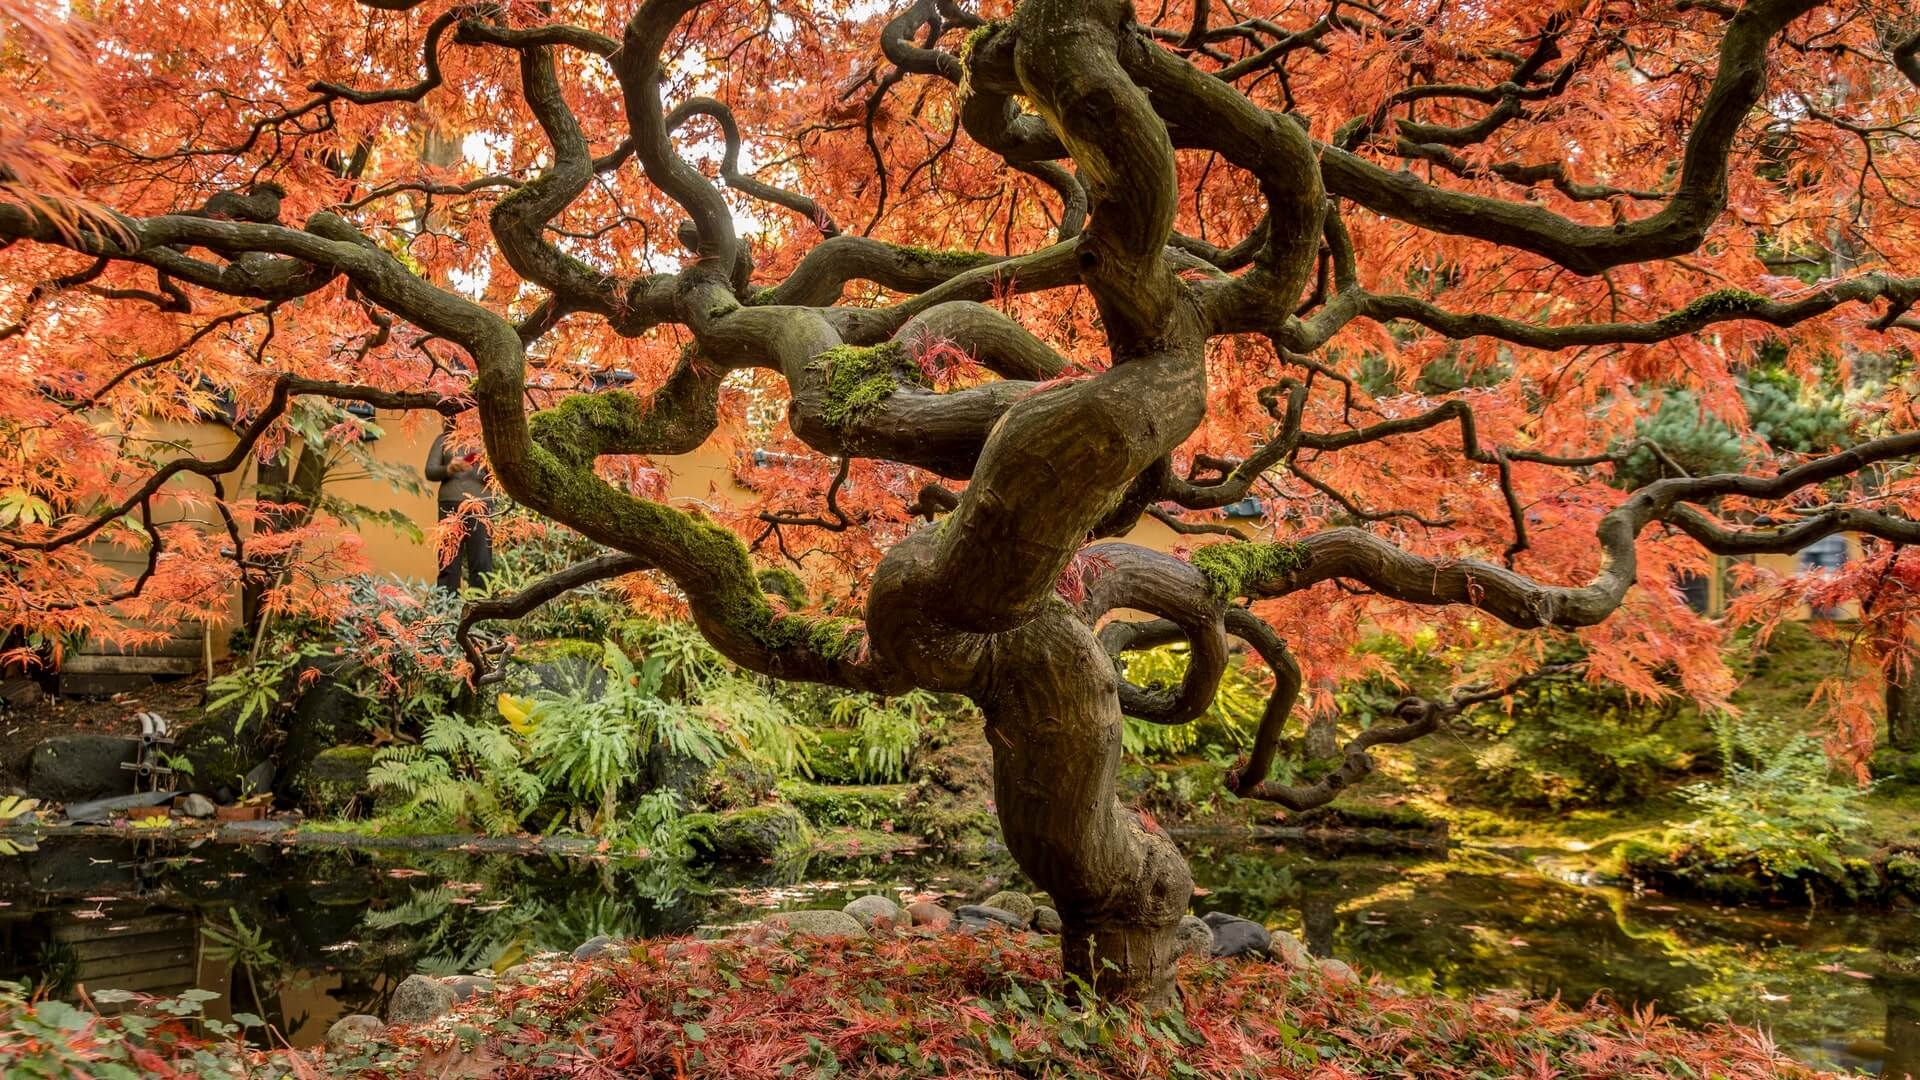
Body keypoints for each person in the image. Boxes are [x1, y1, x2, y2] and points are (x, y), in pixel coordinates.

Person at [425, 429, 493, 592]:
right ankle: (446, 609)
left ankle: (481, 609)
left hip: (481, 504)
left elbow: (500, 476)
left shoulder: (487, 438)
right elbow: (430, 471)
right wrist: (449, 468)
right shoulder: (444, 439)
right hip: (450, 504)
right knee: (448, 561)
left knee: (481, 560)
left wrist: (486, 462)